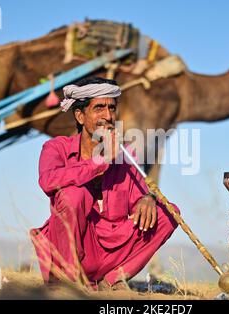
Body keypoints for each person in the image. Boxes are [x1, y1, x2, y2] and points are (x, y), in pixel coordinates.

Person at [30, 77, 179, 290]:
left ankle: (112, 281)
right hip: (75, 251)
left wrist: (148, 199)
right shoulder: (55, 148)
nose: (108, 116)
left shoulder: (126, 154)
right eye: (99, 108)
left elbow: (140, 199)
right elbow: (48, 182)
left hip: (112, 251)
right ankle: (67, 282)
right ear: (80, 116)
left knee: (167, 212)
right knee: (74, 195)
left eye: (112, 108)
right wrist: (100, 162)